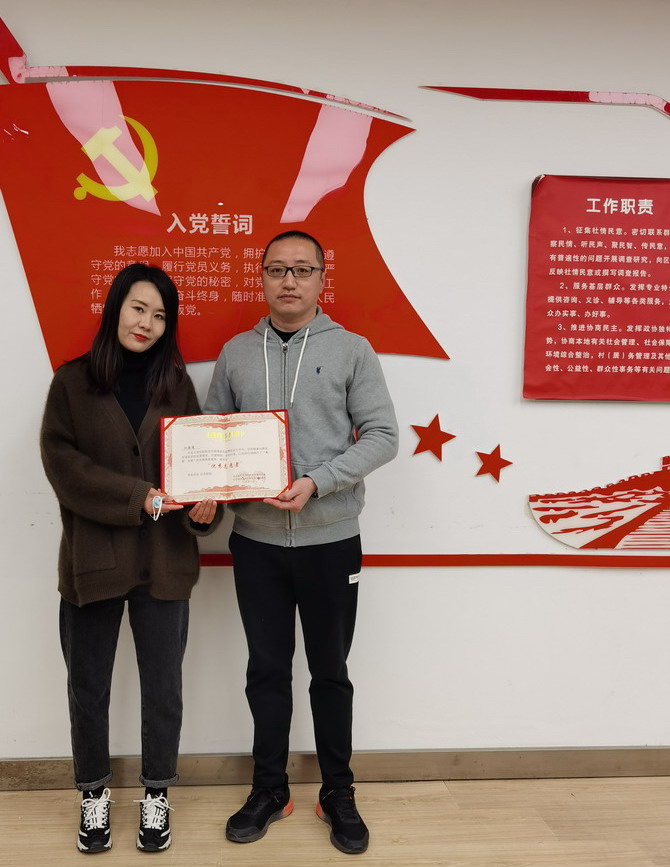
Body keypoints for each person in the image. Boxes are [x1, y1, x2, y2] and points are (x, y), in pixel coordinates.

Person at [204, 230, 398, 855]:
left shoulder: (352, 350)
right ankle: (269, 789)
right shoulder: (236, 354)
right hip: (256, 543)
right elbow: (213, 439)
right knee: (265, 670)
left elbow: (383, 435)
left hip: (331, 540)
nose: (289, 280)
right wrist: (210, 491)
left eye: (302, 269)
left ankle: (337, 791)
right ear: (261, 278)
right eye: (277, 269)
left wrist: (318, 481)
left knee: (330, 672)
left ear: (321, 279)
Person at [40, 263, 220, 855]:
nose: (147, 323)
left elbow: (198, 468)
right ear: (116, 307)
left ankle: (157, 794)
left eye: (160, 315)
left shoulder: (177, 385)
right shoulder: (72, 382)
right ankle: (92, 793)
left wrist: (206, 511)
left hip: (165, 562)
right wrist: (135, 496)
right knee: (87, 687)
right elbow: (64, 467)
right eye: (138, 308)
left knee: (163, 688)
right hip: (92, 563)